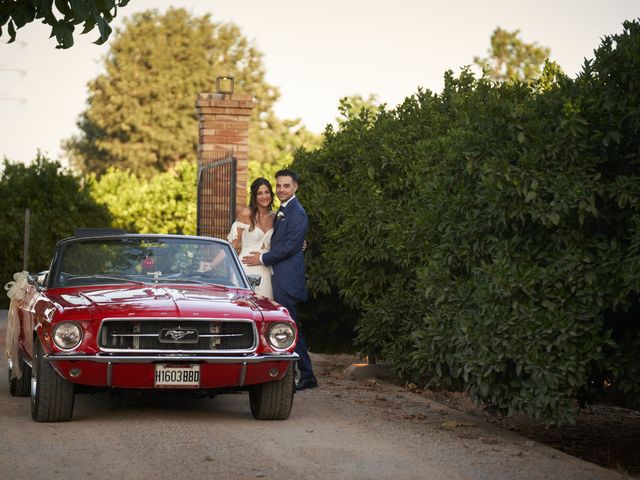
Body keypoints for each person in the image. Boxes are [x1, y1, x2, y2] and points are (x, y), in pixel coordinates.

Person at [243, 169, 318, 391]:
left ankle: (305, 376)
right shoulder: (284, 211)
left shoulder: (297, 213)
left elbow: (289, 245)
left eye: (286, 185)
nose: (281, 190)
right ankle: (302, 374)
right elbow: (288, 242)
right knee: (287, 327)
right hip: (276, 277)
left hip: (287, 280)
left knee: (288, 328)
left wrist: (263, 257)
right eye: (279, 186)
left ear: (295, 187)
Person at [227, 177, 275, 298]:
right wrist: (212, 265)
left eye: (267, 192)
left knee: (266, 307)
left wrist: (301, 243)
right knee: (244, 306)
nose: (264, 196)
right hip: (246, 267)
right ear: (254, 196)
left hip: (266, 268)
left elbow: (283, 241)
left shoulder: (276, 217)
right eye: (260, 193)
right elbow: (232, 245)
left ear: (271, 193)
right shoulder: (245, 214)